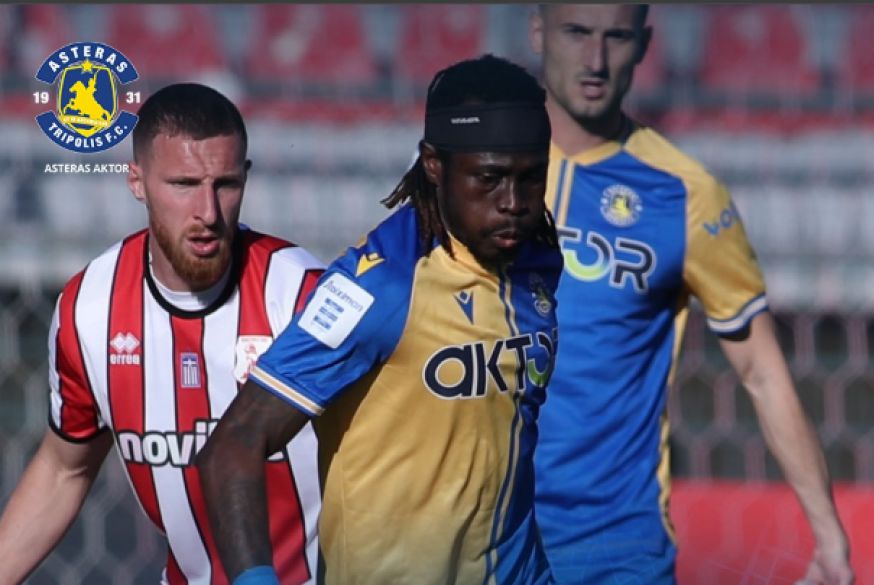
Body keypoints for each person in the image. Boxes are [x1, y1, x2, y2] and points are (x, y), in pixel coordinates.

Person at [197, 54, 562, 585]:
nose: (513, 203)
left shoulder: (538, 257)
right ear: (434, 164)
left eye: (531, 178)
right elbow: (233, 446)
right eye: (489, 178)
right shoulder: (379, 286)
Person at [528, 5, 854, 584]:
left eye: (616, 37)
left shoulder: (686, 194)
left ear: (643, 44)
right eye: (576, 33)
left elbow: (761, 370)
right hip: (480, 531)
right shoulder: (477, 164)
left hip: (615, 546)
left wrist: (828, 538)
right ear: (538, 32)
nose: (595, 60)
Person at [0, 83, 323, 585]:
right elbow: (65, 469)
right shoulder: (90, 309)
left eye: (226, 184)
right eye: (184, 184)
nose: (208, 213)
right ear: (137, 182)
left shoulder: (303, 295)